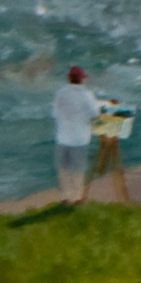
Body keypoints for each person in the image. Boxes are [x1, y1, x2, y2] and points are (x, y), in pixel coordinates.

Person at [51, 67, 97, 202]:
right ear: (82, 79)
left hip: (63, 137)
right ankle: (77, 196)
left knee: (63, 169)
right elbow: (95, 114)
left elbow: (55, 113)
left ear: (69, 78)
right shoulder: (86, 95)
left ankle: (65, 195)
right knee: (78, 169)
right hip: (79, 138)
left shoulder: (61, 93)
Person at [89, 92, 138, 203]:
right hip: (107, 117)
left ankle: (102, 170)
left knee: (110, 148)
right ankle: (123, 196)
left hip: (107, 117)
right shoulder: (107, 109)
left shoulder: (105, 109)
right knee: (111, 149)